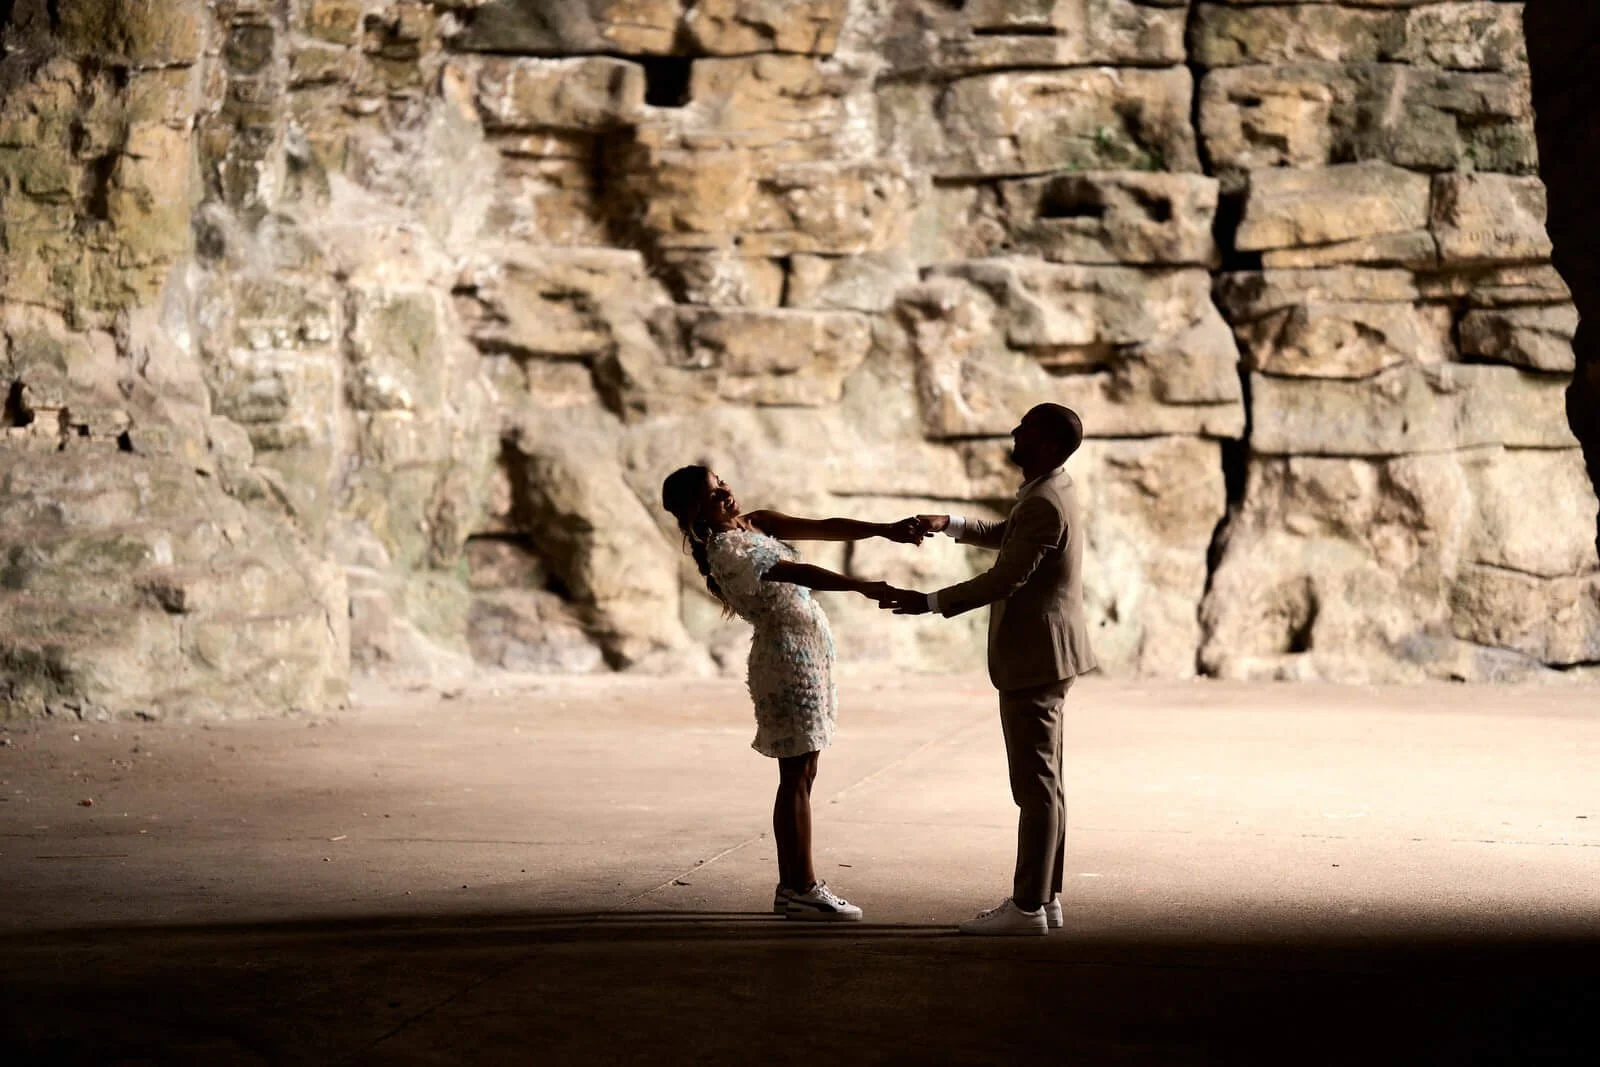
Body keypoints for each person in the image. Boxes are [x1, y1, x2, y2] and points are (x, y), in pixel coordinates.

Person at [660, 464, 924, 922]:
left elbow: (823, 528)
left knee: (804, 771)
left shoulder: (755, 523)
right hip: (786, 662)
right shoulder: (726, 547)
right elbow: (797, 572)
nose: (724, 491)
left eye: (721, 482)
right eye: (711, 492)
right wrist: (862, 586)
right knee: (797, 774)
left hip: (806, 653)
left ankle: (794, 886)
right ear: (694, 511)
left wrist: (885, 530)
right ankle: (800, 887)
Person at [878, 403, 1097, 936]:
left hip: (1035, 657)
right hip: (1047, 654)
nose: (1014, 433)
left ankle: (1026, 909)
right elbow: (1011, 534)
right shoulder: (1052, 487)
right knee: (1047, 784)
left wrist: (927, 602)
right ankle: (1045, 899)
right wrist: (949, 523)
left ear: (1045, 445)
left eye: (1024, 429)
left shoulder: (1045, 500)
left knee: (1035, 787)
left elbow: (1004, 579)